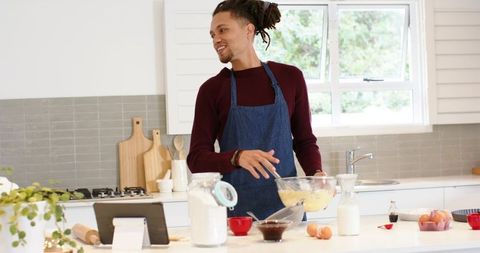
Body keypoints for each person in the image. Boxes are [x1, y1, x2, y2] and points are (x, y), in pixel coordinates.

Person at [187, 0, 325, 220]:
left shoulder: (290, 78)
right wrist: (236, 157)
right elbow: (196, 159)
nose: (216, 40)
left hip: (289, 211)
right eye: (212, 34)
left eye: (223, 30)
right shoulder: (212, 90)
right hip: (237, 215)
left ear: (248, 29)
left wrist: (316, 174)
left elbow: (304, 141)